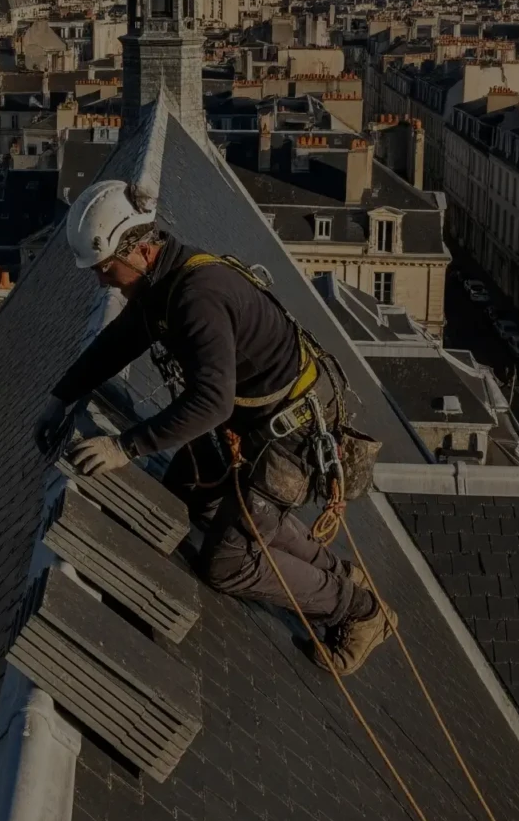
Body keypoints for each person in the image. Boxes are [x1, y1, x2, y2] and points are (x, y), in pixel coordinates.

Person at [35, 179, 397, 675]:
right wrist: (62, 395)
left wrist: (126, 446)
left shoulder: (195, 298)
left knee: (227, 565)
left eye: (104, 269)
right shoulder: (166, 278)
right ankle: (339, 572)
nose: (102, 282)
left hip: (285, 441)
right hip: (255, 422)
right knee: (191, 493)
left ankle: (358, 611)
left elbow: (209, 401)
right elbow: (121, 340)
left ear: (138, 249)